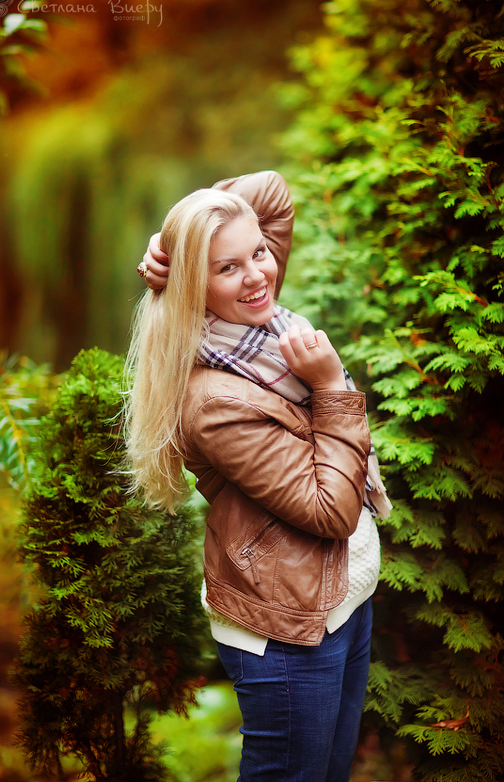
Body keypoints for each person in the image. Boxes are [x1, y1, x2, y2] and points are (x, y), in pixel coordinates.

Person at [127, 171, 390, 782]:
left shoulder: (254, 329)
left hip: (339, 601)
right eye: (226, 267)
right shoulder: (214, 398)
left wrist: (172, 239)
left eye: (260, 253)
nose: (258, 275)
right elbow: (331, 511)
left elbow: (269, 191)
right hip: (288, 631)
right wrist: (331, 386)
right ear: (195, 286)